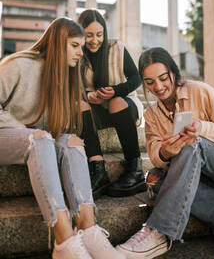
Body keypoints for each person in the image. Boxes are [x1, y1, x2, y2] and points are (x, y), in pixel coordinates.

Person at [0, 17, 126, 259]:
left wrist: (69, 137)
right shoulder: (18, 64)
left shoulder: (67, 76)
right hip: (10, 137)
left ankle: (88, 229)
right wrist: (22, 129)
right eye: (75, 45)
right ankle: (64, 242)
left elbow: (56, 126)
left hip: (36, 140)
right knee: (40, 139)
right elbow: (38, 133)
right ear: (59, 44)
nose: (82, 51)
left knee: (71, 142)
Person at [116, 47, 214, 259]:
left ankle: (160, 232)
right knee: (155, 179)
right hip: (197, 174)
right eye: (150, 82)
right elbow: (154, 153)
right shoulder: (152, 114)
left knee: (192, 143)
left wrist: (203, 128)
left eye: (163, 78)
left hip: (213, 161)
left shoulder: (200, 90)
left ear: (173, 72)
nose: (159, 87)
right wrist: (165, 151)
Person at [78, 9, 145, 199]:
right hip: (94, 111)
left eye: (99, 35)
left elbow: (136, 77)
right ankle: (98, 171)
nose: (94, 40)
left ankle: (135, 169)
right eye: (88, 35)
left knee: (116, 101)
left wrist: (116, 90)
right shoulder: (76, 52)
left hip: (124, 105)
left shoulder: (116, 47)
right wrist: (88, 95)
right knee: (80, 106)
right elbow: (69, 87)